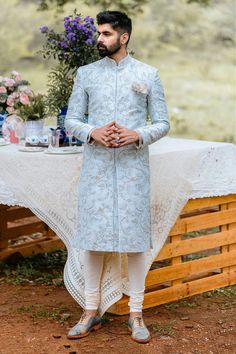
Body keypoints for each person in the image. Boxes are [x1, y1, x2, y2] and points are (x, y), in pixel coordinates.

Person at [64, 10, 170, 344]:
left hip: (132, 168)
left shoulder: (148, 74)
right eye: (99, 33)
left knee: (135, 240)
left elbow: (163, 122)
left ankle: (136, 313)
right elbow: (71, 120)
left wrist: (137, 134)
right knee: (94, 238)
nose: (100, 39)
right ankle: (90, 309)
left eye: (107, 34)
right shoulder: (86, 74)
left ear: (124, 37)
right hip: (96, 167)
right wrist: (92, 132)